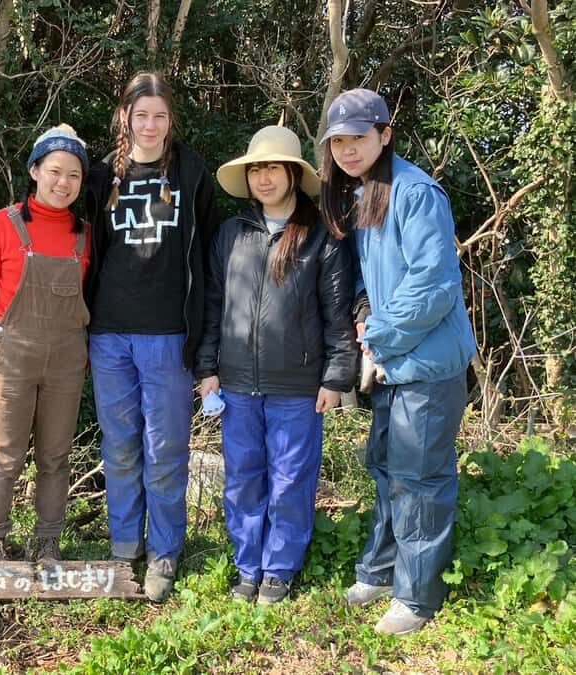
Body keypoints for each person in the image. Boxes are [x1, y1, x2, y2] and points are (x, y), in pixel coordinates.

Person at [319, 89, 477, 634]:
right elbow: (373, 277)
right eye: (338, 141)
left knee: (419, 477)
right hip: (392, 359)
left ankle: (417, 597)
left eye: (358, 138)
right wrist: (364, 318)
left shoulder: (415, 192)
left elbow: (433, 284)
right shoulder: (369, 192)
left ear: (384, 135)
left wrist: (379, 338)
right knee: (386, 466)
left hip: (426, 364)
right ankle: (382, 570)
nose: (347, 149)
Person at [195, 126, 357, 605]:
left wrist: (336, 376)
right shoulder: (231, 235)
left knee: (291, 479)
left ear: (293, 174)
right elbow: (211, 307)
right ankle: (248, 567)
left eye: (273, 168)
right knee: (243, 477)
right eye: (256, 169)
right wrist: (207, 370)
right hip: (237, 384)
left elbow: (338, 312)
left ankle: (280, 569)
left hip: (298, 387)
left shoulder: (321, 239)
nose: (263, 178)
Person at [85, 72, 219, 602]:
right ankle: (125, 544)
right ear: (125, 117)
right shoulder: (100, 176)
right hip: (109, 333)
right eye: (141, 114)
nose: (150, 124)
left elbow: (207, 252)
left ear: (170, 120)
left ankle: (165, 549)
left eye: (159, 115)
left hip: (167, 335)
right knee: (119, 449)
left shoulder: (191, 172)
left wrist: (206, 335)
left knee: (165, 451)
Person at [0, 124, 91, 563]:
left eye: (74, 175)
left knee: (56, 455)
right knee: (5, 453)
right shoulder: (1, 226)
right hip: (12, 357)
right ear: (35, 170)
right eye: (55, 171)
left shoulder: (85, 235)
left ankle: (47, 542)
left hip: (66, 361)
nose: (63, 183)